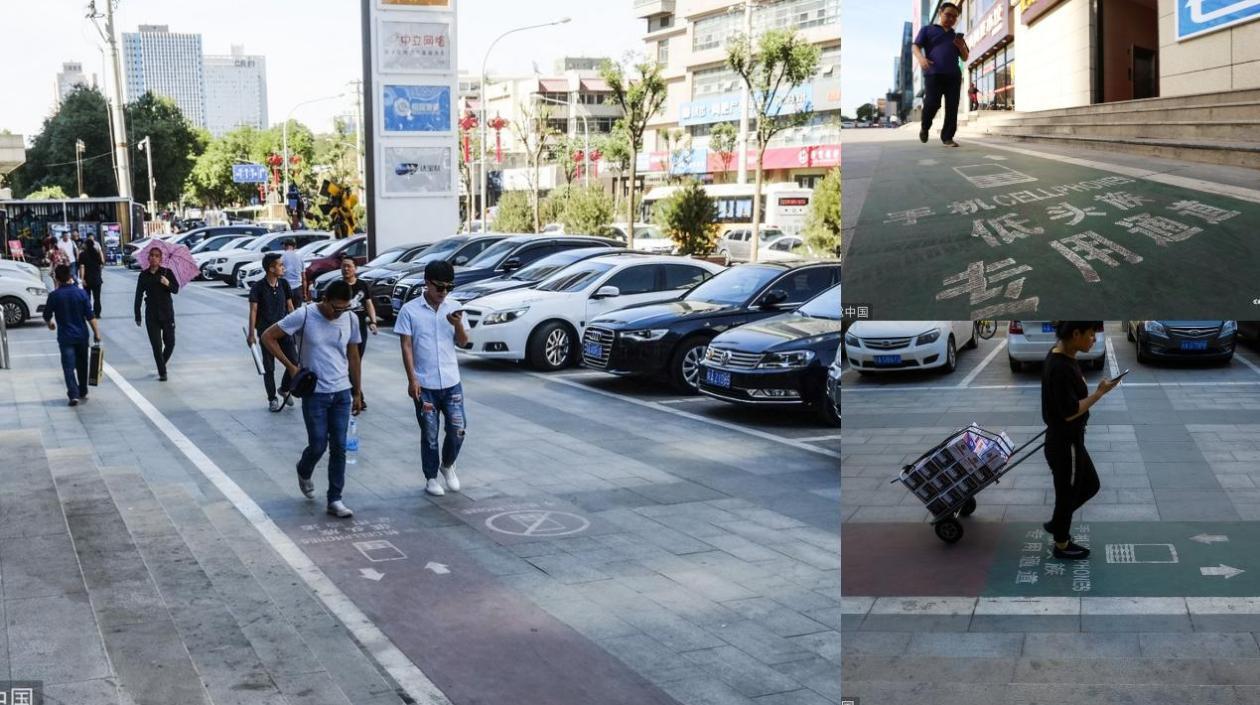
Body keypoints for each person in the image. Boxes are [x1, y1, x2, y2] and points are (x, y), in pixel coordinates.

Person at [262, 279, 363, 518]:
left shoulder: (350, 319)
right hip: (315, 393)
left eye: (344, 308)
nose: (339, 313)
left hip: (341, 392)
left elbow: (354, 355)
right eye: (335, 308)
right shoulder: (305, 315)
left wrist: (357, 391)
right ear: (325, 299)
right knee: (318, 443)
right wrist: (291, 366)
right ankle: (304, 469)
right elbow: (268, 336)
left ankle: (335, 499)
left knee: (339, 446)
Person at [1041, 321, 1120, 560]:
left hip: (1068, 440)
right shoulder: (1061, 365)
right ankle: (1061, 543)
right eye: (1091, 334)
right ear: (1075, 334)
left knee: (1089, 485)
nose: (1094, 339)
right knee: (1068, 493)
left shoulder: (1063, 355)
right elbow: (1070, 411)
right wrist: (1099, 393)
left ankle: (1058, 522)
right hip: (1065, 444)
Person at [395, 260, 470, 497]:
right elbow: (406, 346)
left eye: (449, 287)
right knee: (429, 434)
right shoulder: (410, 310)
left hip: (451, 381)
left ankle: (447, 465)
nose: (444, 292)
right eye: (439, 287)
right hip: (424, 384)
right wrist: (412, 379)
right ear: (427, 283)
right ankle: (431, 477)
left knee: (458, 428)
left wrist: (457, 324)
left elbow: (464, 342)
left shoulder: (454, 307)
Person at [913, 2, 970, 148]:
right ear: (940, 13)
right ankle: (925, 127)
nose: (951, 19)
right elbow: (915, 46)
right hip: (933, 74)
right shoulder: (928, 30)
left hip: (953, 76)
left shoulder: (956, 36)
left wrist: (960, 46)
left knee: (952, 106)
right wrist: (921, 58)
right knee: (932, 103)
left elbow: (965, 57)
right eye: (948, 15)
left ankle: (947, 137)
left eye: (954, 17)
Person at [43, 264, 101, 406]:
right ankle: (83, 390)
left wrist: (50, 324)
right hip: (82, 336)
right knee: (82, 364)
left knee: (68, 367)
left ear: (56, 278)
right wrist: (97, 334)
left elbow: (47, 315)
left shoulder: (54, 296)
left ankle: (73, 395)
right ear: (70, 276)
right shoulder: (81, 294)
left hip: (65, 337)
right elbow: (90, 316)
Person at [248, 252, 297, 411]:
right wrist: (251, 334)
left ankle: (284, 389)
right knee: (269, 368)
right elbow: (253, 311)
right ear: (271, 268)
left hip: (284, 330)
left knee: (294, 361)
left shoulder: (284, 284)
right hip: (266, 334)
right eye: (280, 265)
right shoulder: (258, 287)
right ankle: (272, 399)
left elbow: (290, 307)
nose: (283, 267)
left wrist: (297, 326)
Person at [134, 247, 180, 381]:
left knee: (170, 343)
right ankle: (162, 372)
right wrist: (137, 315)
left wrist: (168, 283)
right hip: (151, 315)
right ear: (148, 258)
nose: (154, 258)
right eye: (152, 255)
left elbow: (176, 289)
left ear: (161, 259)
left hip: (167, 313)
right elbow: (138, 295)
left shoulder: (167, 273)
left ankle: (161, 364)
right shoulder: (143, 275)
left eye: (157, 256)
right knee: (157, 345)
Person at [338, 255, 378, 409]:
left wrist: (373, 322)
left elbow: (368, 304)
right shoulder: (338, 286)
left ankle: (355, 393)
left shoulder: (362, 285)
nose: (346, 268)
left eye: (349, 266)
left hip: (360, 328)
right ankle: (358, 395)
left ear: (355, 268)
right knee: (349, 362)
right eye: (343, 266)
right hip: (342, 328)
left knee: (356, 362)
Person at [77, 237, 105, 318]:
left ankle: (88, 313)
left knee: (87, 297)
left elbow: (82, 267)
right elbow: (102, 263)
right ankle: (98, 313)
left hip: (87, 279)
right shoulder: (96, 253)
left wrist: (82, 279)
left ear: (86, 245)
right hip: (97, 279)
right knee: (97, 298)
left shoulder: (82, 254)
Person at [280, 239, 305, 309]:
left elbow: (279, 274)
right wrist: (305, 293)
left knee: (286, 312)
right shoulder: (300, 257)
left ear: (284, 246)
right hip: (298, 288)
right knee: (297, 312)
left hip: (286, 288)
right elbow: (304, 277)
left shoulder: (282, 258)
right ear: (294, 246)